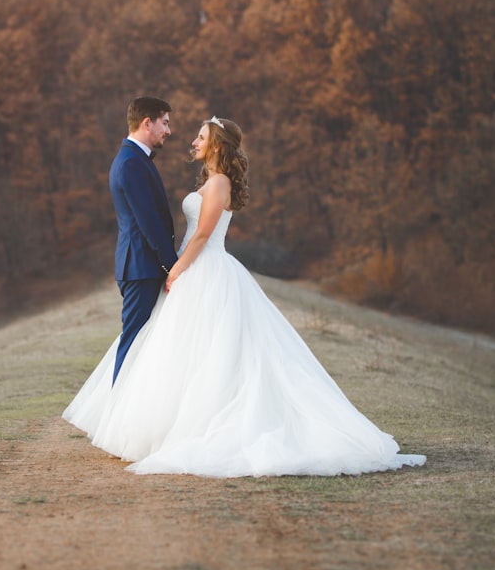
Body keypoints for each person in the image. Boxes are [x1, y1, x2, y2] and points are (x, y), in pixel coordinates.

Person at [63, 116, 426, 477]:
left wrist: (176, 269)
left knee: (213, 350)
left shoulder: (219, 182)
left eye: (201, 137)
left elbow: (203, 235)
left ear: (216, 145)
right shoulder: (211, 180)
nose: (193, 142)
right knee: (185, 348)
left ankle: (198, 426)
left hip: (206, 267)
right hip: (195, 269)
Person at [108, 97, 178, 385]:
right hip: (141, 267)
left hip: (144, 266)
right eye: (165, 122)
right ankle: (115, 416)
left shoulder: (135, 159)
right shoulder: (131, 163)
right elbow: (148, 223)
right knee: (134, 342)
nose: (168, 130)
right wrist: (173, 267)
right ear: (146, 123)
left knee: (143, 342)